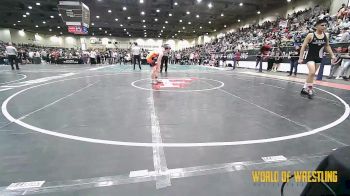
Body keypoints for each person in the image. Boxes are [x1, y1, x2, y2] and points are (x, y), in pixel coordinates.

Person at [298, 19, 336, 99]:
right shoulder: (310, 35)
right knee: (312, 72)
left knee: (311, 74)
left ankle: (304, 88)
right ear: (316, 26)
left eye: (325, 25)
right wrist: (300, 58)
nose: (324, 27)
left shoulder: (326, 35)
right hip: (310, 57)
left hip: (319, 57)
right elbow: (303, 46)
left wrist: (332, 55)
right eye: (322, 25)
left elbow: (327, 46)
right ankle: (310, 89)